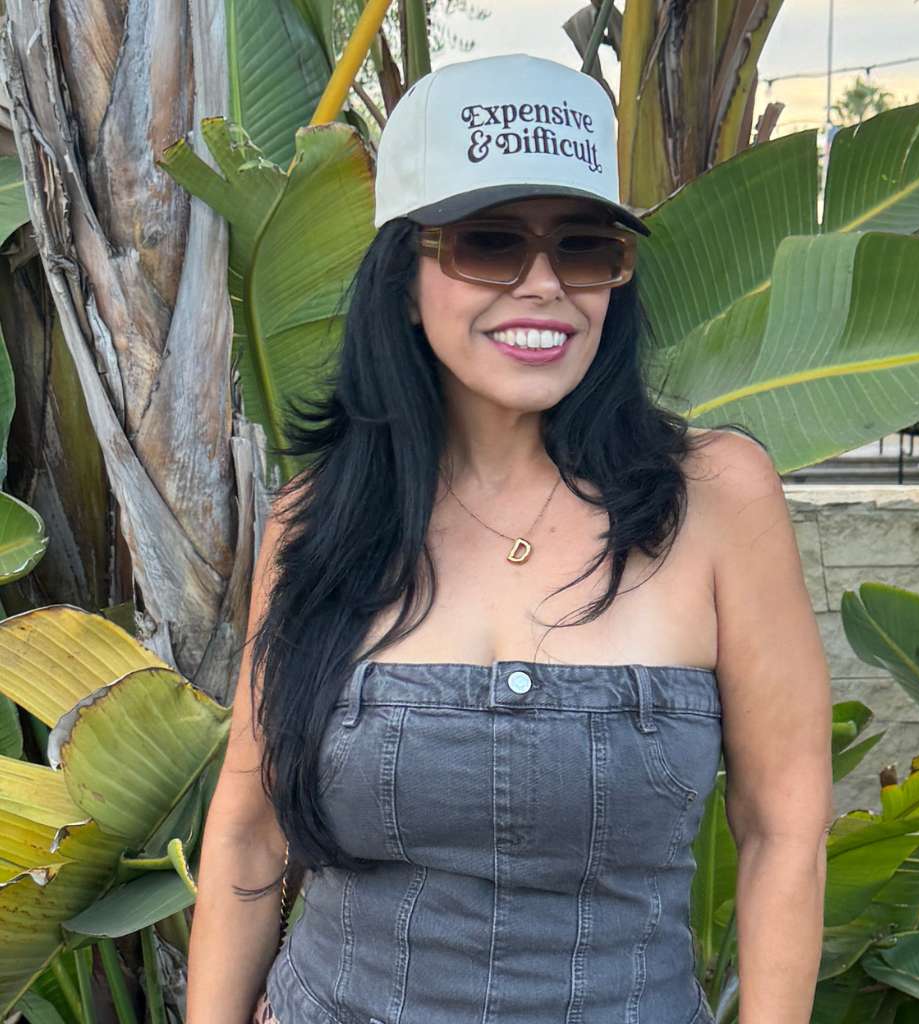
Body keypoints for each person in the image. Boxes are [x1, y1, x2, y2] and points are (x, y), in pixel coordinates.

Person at [186, 53, 832, 1024]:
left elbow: (783, 828)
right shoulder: (322, 519)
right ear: (404, 279)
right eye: (489, 244)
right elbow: (248, 834)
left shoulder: (715, 499)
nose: (543, 286)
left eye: (583, 248)